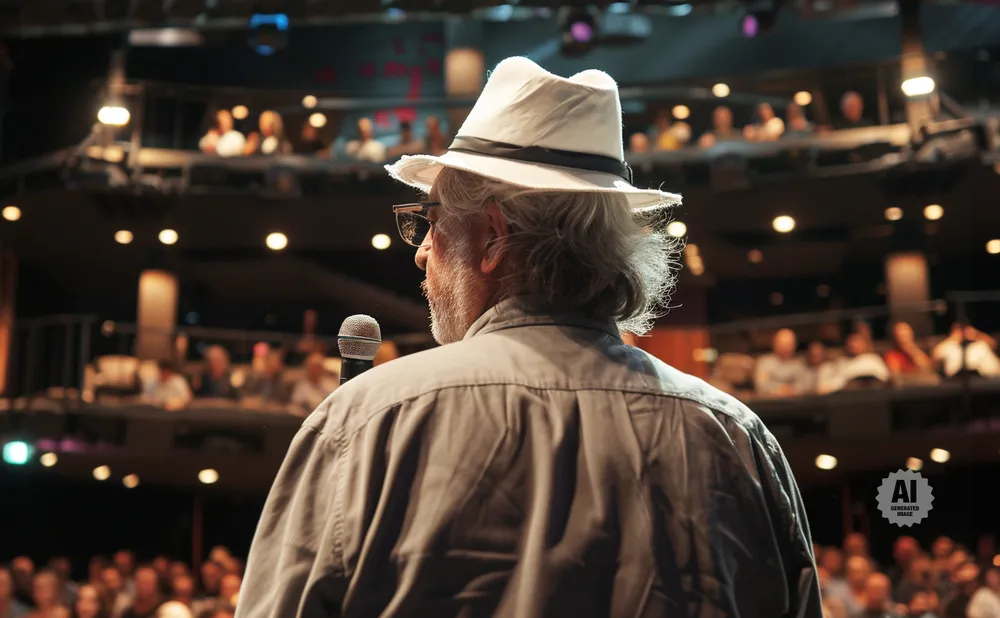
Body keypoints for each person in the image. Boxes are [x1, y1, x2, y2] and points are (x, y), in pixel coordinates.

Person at [237, 56, 821, 618]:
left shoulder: (365, 424)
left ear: (492, 236)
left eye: (432, 222)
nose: (420, 251)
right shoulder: (736, 439)